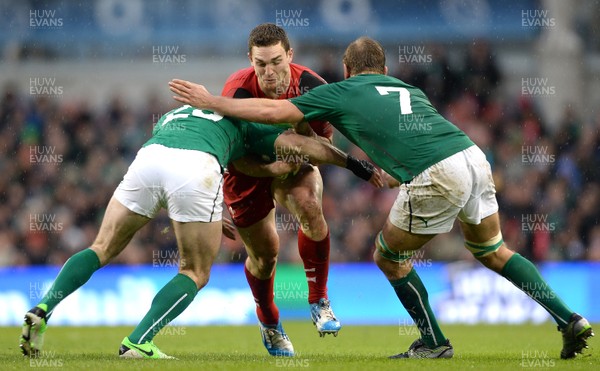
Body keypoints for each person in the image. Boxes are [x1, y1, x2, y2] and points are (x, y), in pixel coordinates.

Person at [168, 36, 594, 360]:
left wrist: (212, 102)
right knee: (493, 249)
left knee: (388, 257)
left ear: (347, 70)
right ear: (384, 67)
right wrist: (390, 168)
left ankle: (432, 342)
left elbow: (273, 113)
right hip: (471, 157)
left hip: (436, 173)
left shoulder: (342, 90)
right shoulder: (408, 88)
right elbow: (408, 134)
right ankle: (569, 319)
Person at [19, 104, 381, 359]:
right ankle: (137, 343)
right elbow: (304, 146)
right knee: (194, 270)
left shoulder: (180, 112)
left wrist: (200, 210)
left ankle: (44, 307)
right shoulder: (250, 119)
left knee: (100, 247)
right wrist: (357, 165)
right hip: (197, 165)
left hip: (150, 155)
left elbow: (181, 166)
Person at [218, 23, 341, 355]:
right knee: (265, 256)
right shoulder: (237, 94)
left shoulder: (312, 86)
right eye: (261, 64)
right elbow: (236, 160)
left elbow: (326, 146)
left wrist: (300, 146)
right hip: (249, 172)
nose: (269, 72)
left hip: (293, 164)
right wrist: (275, 166)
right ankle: (270, 321)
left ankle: (319, 300)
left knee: (311, 209)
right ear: (250, 60)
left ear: (290, 55)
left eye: (276, 62)